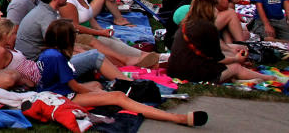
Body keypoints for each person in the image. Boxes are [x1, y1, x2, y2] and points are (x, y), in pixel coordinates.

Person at [38, 19, 208, 128]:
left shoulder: (48, 54)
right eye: (74, 34)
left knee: (98, 86)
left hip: (56, 91)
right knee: (118, 96)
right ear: (66, 38)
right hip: (63, 96)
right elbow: (75, 87)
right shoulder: (58, 57)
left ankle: (118, 97)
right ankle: (177, 118)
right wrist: (104, 94)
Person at [168, 0, 277, 83]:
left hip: (175, 70)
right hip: (192, 73)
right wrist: (237, 59)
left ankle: (237, 78)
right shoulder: (208, 28)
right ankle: (269, 79)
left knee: (231, 63)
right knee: (235, 67)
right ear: (210, 9)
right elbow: (219, 59)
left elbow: (211, 54)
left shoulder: (187, 25)